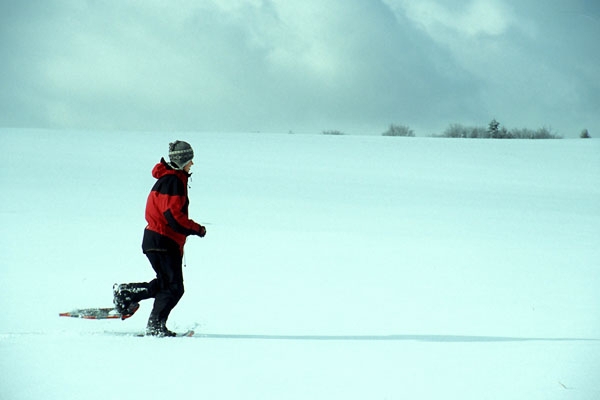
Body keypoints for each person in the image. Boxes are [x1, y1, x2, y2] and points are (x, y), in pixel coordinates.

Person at [113, 140, 206, 337]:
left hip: (157, 239)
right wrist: (197, 229)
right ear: (181, 161)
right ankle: (155, 325)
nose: (192, 164)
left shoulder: (170, 179)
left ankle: (127, 293)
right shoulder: (173, 181)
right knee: (174, 288)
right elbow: (173, 217)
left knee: (166, 284)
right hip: (163, 240)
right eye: (190, 160)